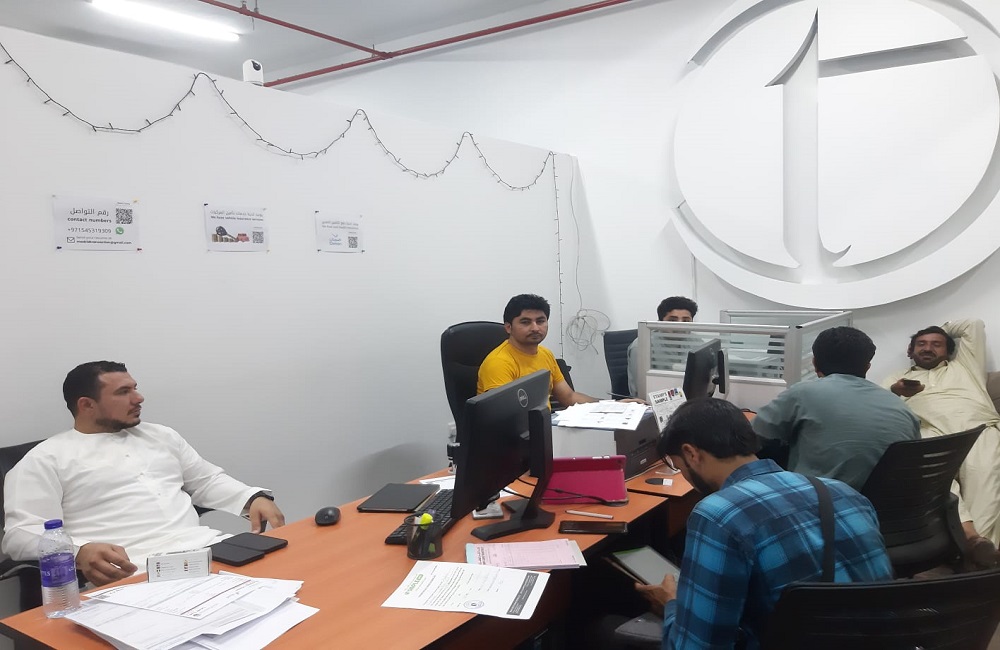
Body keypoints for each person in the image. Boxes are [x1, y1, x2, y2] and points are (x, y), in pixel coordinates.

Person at [637, 398, 892, 650]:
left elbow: (697, 647)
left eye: (679, 467)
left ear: (691, 454)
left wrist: (673, 604)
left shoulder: (717, 515)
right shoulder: (844, 492)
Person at [3, 361, 285, 586]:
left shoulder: (161, 436)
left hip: (210, 551)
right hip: (132, 572)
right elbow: (19, 536)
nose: (139, 398)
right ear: (86, 405)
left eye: (134, 388)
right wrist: (80, 551)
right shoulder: (45, 459)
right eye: (123, 392)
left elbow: (206, 481)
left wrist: (252, 498)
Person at [752, 326, 919, 490]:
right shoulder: (900, 405)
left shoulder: (803, 392)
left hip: (825, 502)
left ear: (815, 363)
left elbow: (751, 434)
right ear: (867, 367)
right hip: (892, 503)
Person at [883, 320, 1000, 550]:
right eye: (921, 344)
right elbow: (878, 408)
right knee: (935, 482)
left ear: (948, 351)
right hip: (929, 432)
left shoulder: (966, 366)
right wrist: (895, 391)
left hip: (977, 427)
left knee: (984, 481)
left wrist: (938, 329)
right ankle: (971, 538)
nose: (927, 348)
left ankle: (981, 550)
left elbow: (973, 325)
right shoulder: (895, 378)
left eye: (936, 344)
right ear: (910, 351)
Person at [478, 294, 612, 406]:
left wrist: (612, 405)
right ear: (508, 327)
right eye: (525, 322)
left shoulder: (545, 354)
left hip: (543, 424)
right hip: (516, 429)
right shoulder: (498, 362)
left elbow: (569, 397)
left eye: (540, 321)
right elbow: (503, 415)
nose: (535, 328)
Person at [627, 296, 698, 398]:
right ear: (660, 322)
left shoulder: (695, 341)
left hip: (687, 396)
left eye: (686, 321)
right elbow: (641, 389)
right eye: (672, 320)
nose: (680, 326)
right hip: (655, 399)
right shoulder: (642, 346)